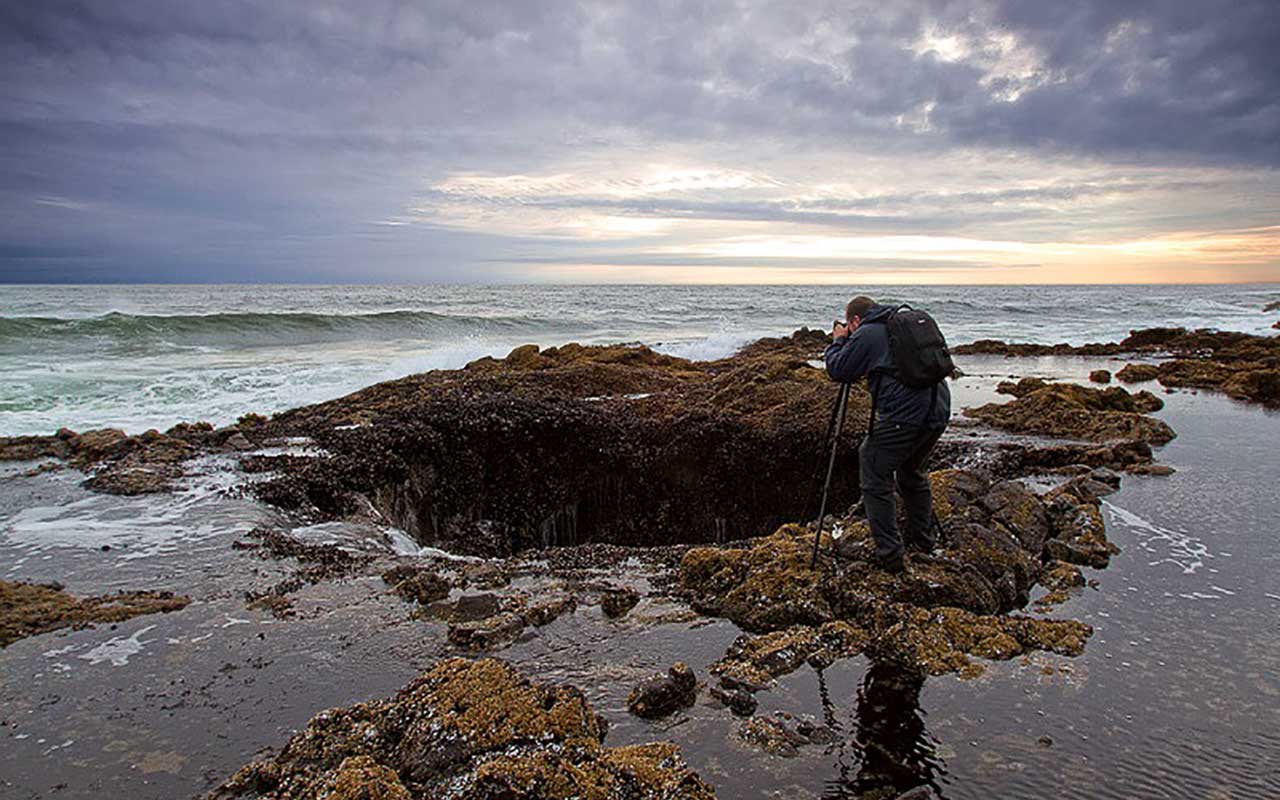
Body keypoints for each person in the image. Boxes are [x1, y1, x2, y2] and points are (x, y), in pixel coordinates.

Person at [825, 296, 950, 572]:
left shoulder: (868, 332)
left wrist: (839, 340)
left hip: (905, 417)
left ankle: (891, 556)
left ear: (855, 320)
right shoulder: (905, 323)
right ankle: (924, 542)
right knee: (912, 471)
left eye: (849, 324)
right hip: (938, 410)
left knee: (873, 466)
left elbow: (839, 369)